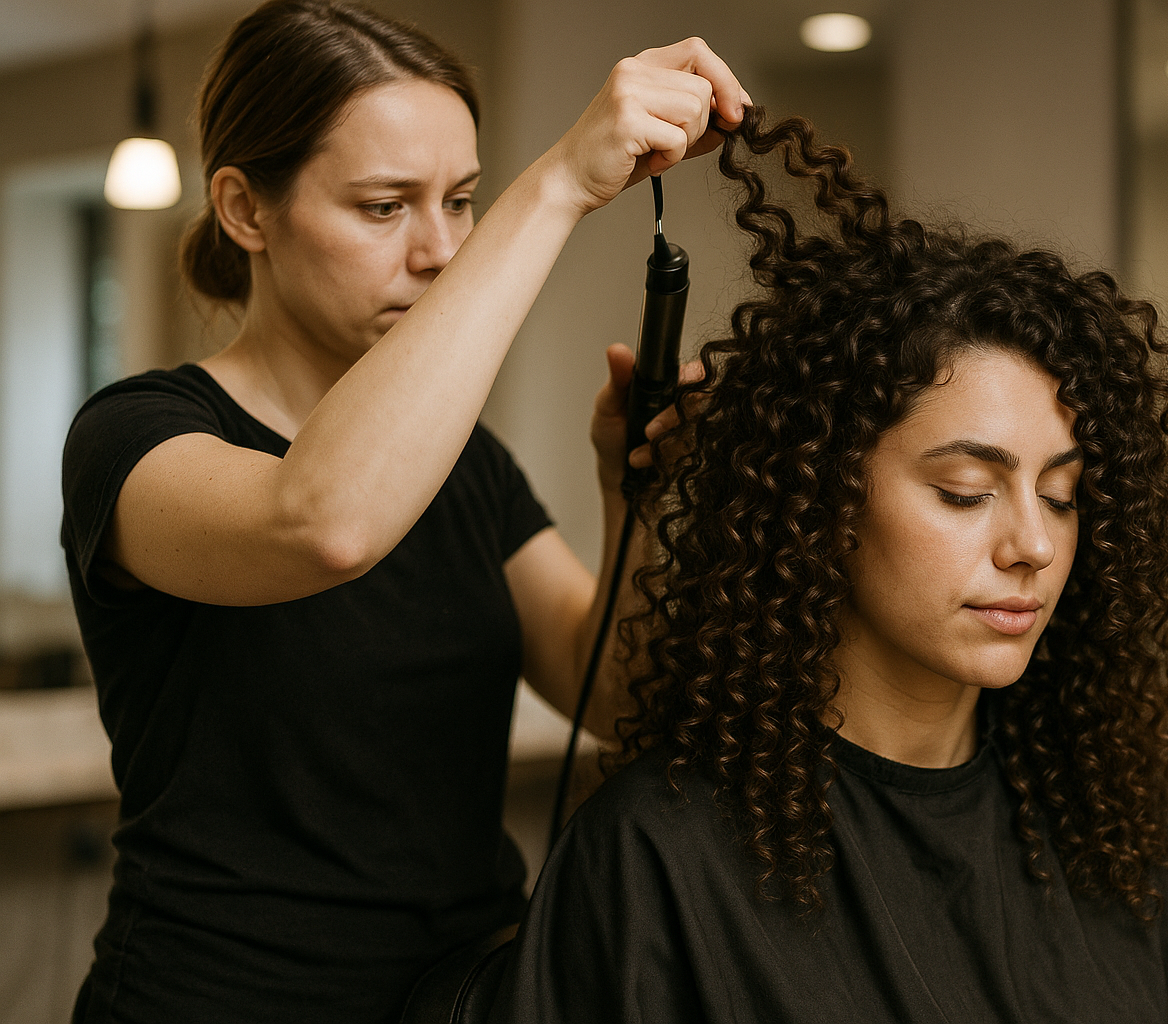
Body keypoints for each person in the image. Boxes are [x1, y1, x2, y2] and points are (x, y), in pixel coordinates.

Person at [493, 108, 1168, 1023]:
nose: (1033, 545)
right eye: (965, 490)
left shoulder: (1112, 837)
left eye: (1063, 494)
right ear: (819, 500)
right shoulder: (658, 856)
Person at [59, 2, 747, 1021]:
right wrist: (555, 184)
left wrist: (628, 493)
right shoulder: (137, 437)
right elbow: (322, 522)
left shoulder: (465, 466)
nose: (439, 250)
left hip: (469, 996)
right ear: (246, 210)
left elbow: (615, 695)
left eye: (463, 200)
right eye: (385, 207)